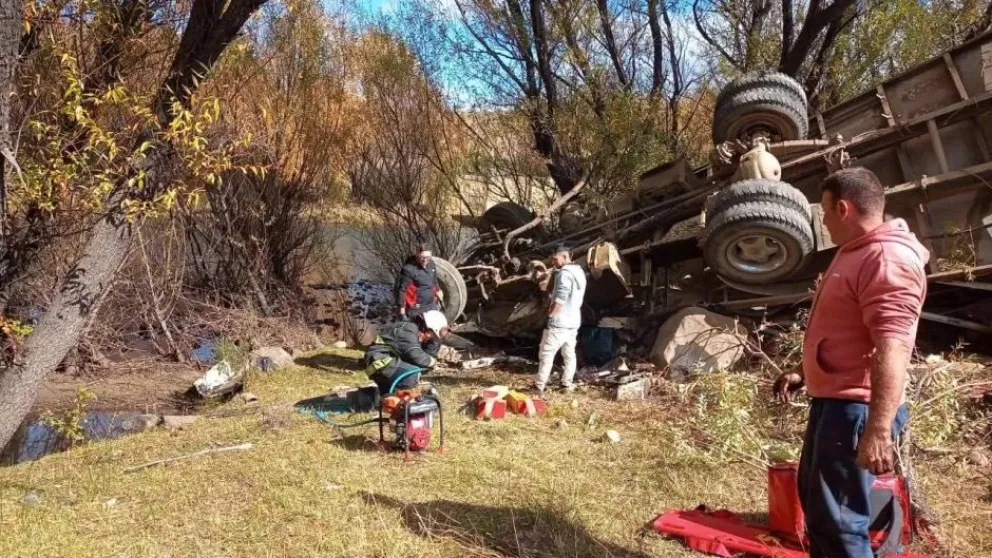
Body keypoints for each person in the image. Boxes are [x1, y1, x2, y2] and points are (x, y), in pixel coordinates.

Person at [774, 167, 929, 558]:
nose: (823, 221)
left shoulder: (885, 258)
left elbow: (892, 346)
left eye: (825, 212)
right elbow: (847, 333)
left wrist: (877, 428)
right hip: (837, 403)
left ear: (843, 208)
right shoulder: (857, 250)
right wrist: (805, 372)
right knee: (823, 511)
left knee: (842, 521)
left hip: (856, 410)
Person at [534, 244, 587, 393]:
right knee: (569, 354)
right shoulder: (579, 272)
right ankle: (566, 384)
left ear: (564, 256)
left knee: (546, 353)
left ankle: (539, 385)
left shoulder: (564, 273)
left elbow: (561, 297)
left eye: (555, 258)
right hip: (574, 321)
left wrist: (551, 315)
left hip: (560, 321)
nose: (553, 262)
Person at [364, 310, 449, 395]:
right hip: (379, 360)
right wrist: (433, 362)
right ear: (425, 328)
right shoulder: (408, 330)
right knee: (411, 374)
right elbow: (416, 356)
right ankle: (397, 403)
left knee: (385, 394)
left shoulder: (411, 329)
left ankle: (380, 399)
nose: (430, 339)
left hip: (383, 361)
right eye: (432, 335)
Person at [394, 244, 442, 321]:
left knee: (434, 329)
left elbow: (434, 280)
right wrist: (402, 313)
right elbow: (402, 290)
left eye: (428, 257)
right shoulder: (409, 270)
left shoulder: (431, 264)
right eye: (422, 257)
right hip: (416, 308)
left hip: (430, 304)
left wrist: (438, 290)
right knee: (417, 330)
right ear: (417, 255)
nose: (425, 260)